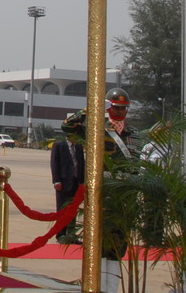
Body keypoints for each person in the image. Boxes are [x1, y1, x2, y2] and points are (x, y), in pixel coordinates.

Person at [63, 87, 134, 293]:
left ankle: (111, 289)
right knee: (100, 242)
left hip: (124, 196)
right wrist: (92, 110)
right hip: (103, 192)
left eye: (123, 108)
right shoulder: (96, 130)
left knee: (119, 245)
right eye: (116, 107)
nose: (120, 112)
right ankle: (99, 287)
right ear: (108, 108)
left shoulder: (133, 135)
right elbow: (67, 127)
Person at [50, 126, 85, 244]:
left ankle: (71, 235)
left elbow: (81, 164)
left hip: (76, 182)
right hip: (63, 183)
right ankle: (61, 234)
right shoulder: (59, 145)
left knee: (73, 209)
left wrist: (82, 181)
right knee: (62, 209)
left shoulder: (79, 146)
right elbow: (54, 164)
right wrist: (56, 181)